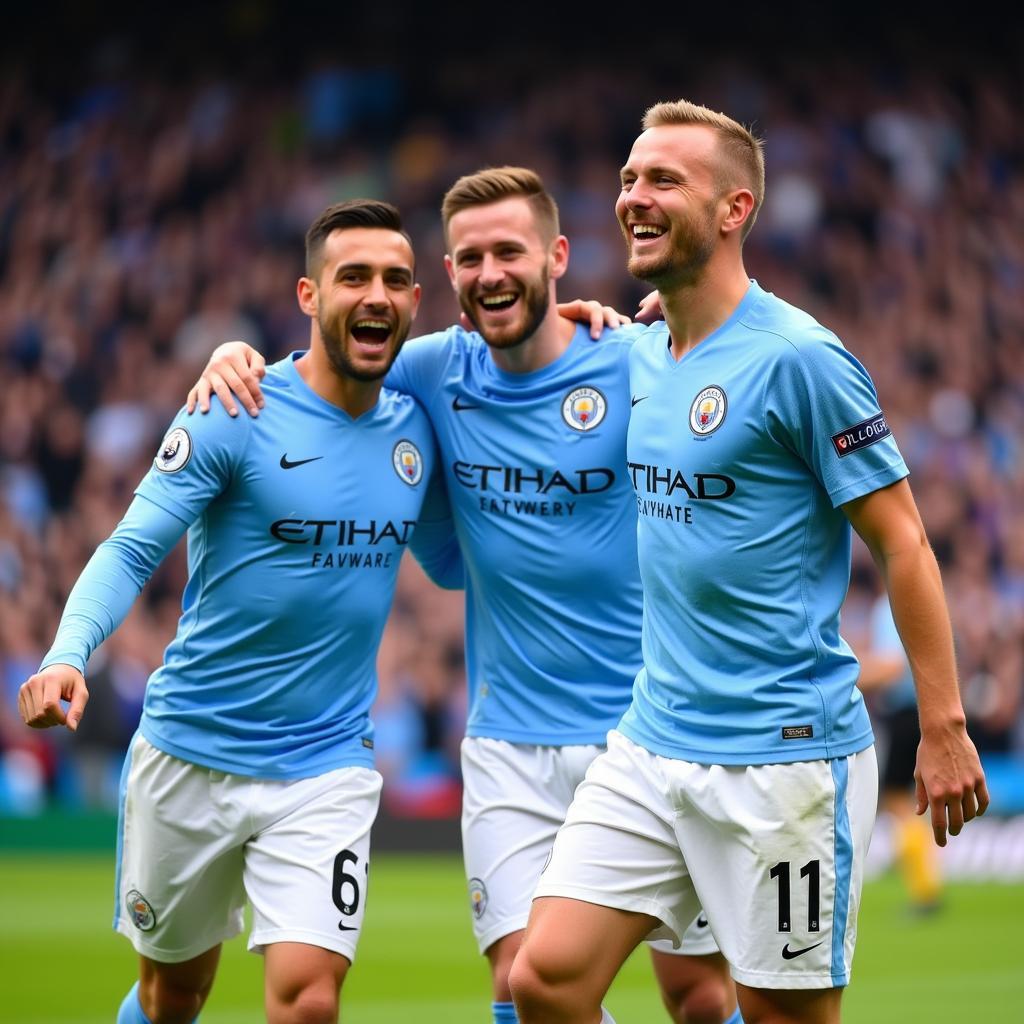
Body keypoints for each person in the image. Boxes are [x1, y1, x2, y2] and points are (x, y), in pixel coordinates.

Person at [188, 168, 741, 1024]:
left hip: (647, 733)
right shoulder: (429, 371)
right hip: (508, 748)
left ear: (557, 256)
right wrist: (238, 359)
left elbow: (731, 369)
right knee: (522, 988)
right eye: (471, 257)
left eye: (510, 251)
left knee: (700, 996)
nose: (491, 273)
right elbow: (328, 364)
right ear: (449, 273)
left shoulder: (635, 360)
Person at [507, 100, 990, 1024]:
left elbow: (905, 541)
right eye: (627, 179)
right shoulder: (642, 351)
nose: (633, 197)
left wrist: (942, 725)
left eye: (663, 181)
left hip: (783, 763)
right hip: (651, 742)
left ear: (734, 211)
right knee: (545, 982)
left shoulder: (801, 359)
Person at [18, 199, 461, 1024]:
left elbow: (464, 543)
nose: (377, 295)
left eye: (397, 280)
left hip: (325, 764)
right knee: (172, 997)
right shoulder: (237, 406)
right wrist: (66, 655)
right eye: (353, 276)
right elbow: (131, 547)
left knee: (310, 1001)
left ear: (413, 303)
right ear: (307, 294)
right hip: (191, 751)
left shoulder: (419, 426)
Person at [855, 589, 943, 914]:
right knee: (904, 801)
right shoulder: (916, 599)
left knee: (898, 800)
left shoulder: (889, 605)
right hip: (922, 710)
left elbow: (892, 667)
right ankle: (924, 883)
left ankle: (925, 888)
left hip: (906, 714)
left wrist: (844, 677)